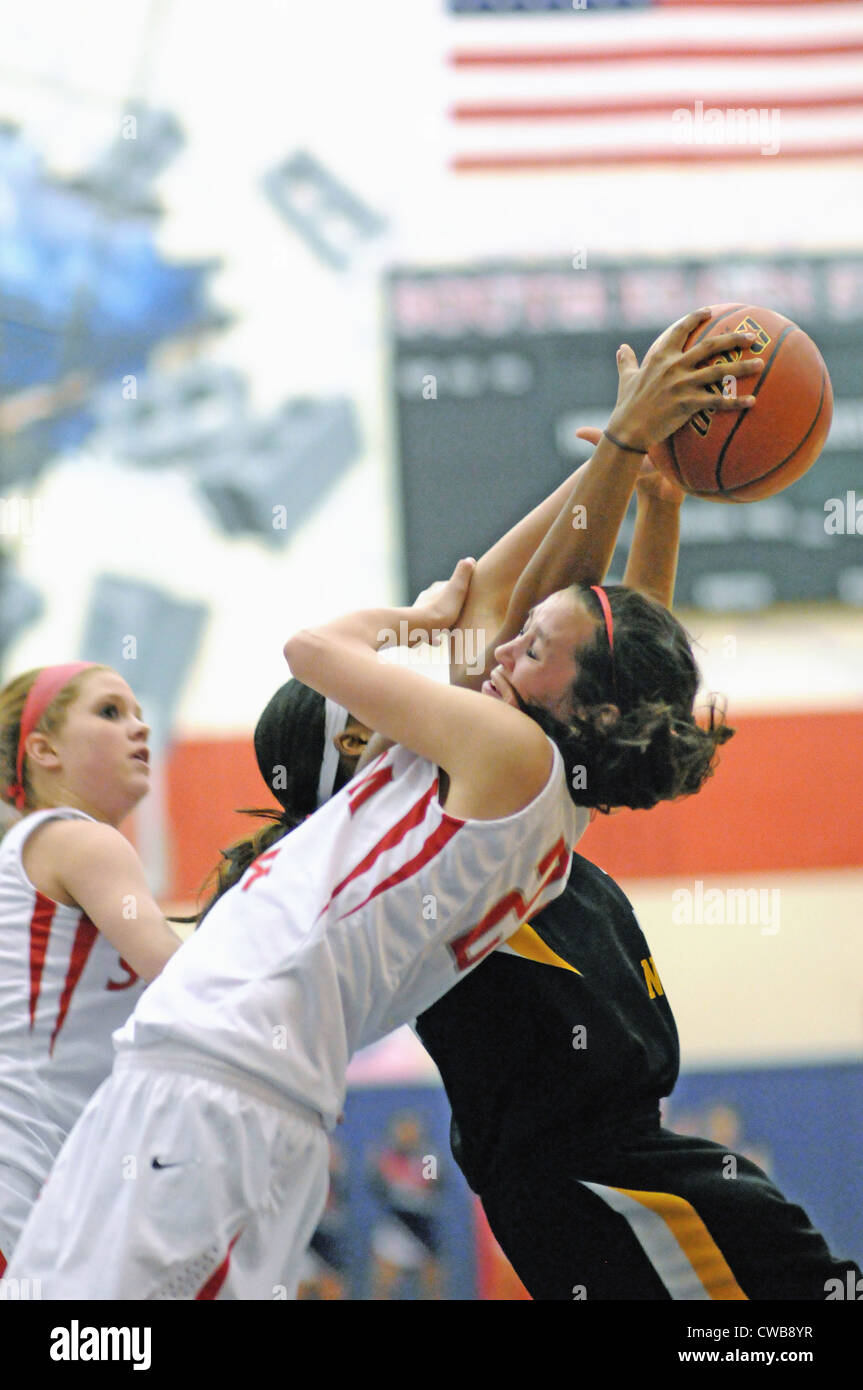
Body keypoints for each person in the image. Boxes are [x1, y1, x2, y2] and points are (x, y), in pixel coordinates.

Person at [6, 309, 757, 1300]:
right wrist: (630, 469)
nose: (473, 660)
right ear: (349, 751)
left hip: (228, 1089)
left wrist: (623, 455)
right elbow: (552, 621)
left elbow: (509, 627)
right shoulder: (493, 779)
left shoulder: (490, 764)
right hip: (219, 1083)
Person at [0, 662, 181, 1274]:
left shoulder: (39, 848)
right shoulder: (82, 841)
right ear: (44, 751)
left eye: (137, 712)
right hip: (21, 1180)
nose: (140, 728)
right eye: (110, 713)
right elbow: (189, 981)